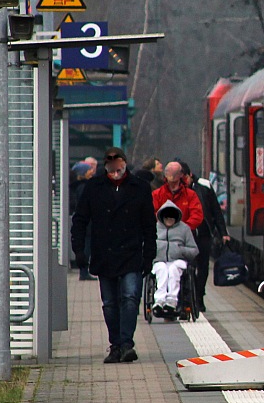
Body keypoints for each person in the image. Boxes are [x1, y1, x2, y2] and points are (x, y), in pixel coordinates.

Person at [70, 146, 156, 364]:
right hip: (104, 252)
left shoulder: (140, 188)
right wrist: (79, 250)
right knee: (109, 303)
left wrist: (149, 254)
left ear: (124, 163)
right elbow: (80, 220)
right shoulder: (94, 188)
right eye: (109, 162)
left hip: (131, 252)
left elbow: (149, 224)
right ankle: (116, 344)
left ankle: (126, 343)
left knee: (129, 298)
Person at [179, 161, 229, 312]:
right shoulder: (174, 190)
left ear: (189, 176)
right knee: (185, 266)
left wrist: (223, 233)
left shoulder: (204, 188)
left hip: (203, 233)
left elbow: (216, 211)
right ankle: (186, 296)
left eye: (183, 179)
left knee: (203, 266)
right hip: (183, 236)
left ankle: (199, 295)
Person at [150, 200, 198, 317]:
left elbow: (194, 250)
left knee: (173, 270)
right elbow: (146, 247)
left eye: (172, 218)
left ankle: (172, 300)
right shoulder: (154, 228)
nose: (169, 220)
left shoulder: (184, 229)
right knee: (162, 270)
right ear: (162, 217)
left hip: (178, 261)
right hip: (159, 260)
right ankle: (159, 301)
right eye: (167, 218)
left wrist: (180, 250)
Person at [153, 160, 203, 234]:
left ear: (181, 175)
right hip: (161, 236)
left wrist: (184, 228)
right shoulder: (157, 194)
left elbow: (197, 215)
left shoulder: (190, 195)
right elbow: (151, 214)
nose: (172, 177)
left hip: (184, 237)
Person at [69, 161, 97, 280]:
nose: (92, 171)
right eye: (89, 170)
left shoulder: (81, 186)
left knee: (87, 247)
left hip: (86, 222)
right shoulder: (84, 187)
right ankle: (84, 272)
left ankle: (84, 271)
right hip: (87, 223)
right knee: (86, 247)